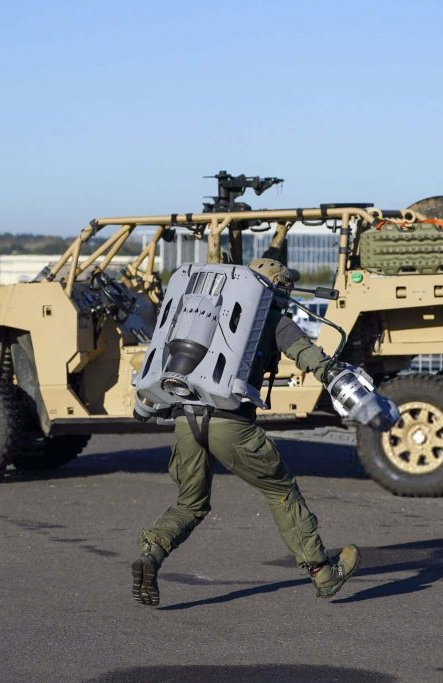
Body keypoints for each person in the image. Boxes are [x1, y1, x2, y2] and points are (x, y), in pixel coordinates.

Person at [132, 258, 361, 606]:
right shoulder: (270, 317)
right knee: (281, 491)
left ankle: (152, 553)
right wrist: (334, 373)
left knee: (189, 503)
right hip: (230, 423)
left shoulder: (207, 310)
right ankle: (323, 573)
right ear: (277, 289)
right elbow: (307, 355)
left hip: (185, 418)